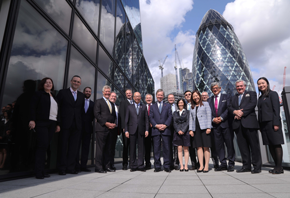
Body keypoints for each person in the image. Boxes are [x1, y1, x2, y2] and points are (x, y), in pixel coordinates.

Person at [29, 77, 60, 179]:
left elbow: (57, 112)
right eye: (46, 83)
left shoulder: (54, 96)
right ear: (42, 85)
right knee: (41, 146)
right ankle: (38, 172)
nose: (48, 84)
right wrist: (32, 120)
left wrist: (57, 124)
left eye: (50, 82)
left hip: (52, 123)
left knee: (46, 147)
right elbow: (32, 107)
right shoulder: (39, 94)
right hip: (42, 123)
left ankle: (43, 170)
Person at [228, 80, 262, 173]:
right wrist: (235, 112)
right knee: (243, 147)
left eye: (241, 86)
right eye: (238, 86)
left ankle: (257, 166)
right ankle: (246, 166)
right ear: (236, 87)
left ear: (245, 86)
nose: (239, 88)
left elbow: (252, 104)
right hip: (238, 125)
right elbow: (229, 107)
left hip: (249, 123)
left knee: (254, 146)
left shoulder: (252, 93)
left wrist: (241, 113)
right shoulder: (233, 97)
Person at [57, 75, 85, 175]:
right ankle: (62, 168)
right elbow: (58, 109)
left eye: (78, 82)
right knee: (63, 147)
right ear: (71, 81)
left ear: (80, 84)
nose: (76, 83)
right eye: (74, 81)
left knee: (74, 148)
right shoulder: (62, 92)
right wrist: (58, 123)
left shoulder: (81, 96)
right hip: (65, 124)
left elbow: (81, 111)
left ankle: (70, 168)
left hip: (77, 125)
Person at [257, 77, 284, 174]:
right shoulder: (260, 98)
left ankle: (279, 167)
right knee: (270, 145)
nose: (261, 85)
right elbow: (260, 113)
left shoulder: (273, 94)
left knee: (276, 144)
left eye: (263, 83)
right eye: (259, 84)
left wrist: (276, 123)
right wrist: (259, 125)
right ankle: (277, 166)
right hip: (264, 125)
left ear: (267, 83)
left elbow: (276, 110)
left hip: (272, 123)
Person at [208, 83, 235, 172]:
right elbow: (208, 112)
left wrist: (221, 118)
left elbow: (229, 109)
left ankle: (231, 164)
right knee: (219, 146)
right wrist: (213, 119)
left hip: (226, 125)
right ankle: (223, 163)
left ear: (220, 89)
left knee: (229, 145)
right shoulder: (209, 100)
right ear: (211, 90)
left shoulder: (226, 97)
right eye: (213, 88)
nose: (215, 89)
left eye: (216, 88)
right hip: (215, 126)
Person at [125, 92, 149, 172]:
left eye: (139, 96)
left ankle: (141, 165)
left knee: (141, 148)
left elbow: (146, 120)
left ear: (140, 97)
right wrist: (126, 130)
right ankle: (133, 166)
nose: (137, 98)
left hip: (141, 130)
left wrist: (147, 129)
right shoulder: (129, 107)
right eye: (136, 96)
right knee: (132, 148)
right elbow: (126, 120)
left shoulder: (144, 107)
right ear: (134, 97)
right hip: (132, 130)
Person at [149, 89, 172, 172]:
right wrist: (156, 125)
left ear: (163, 96)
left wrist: (165, 125)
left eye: (161, 95)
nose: (160, 96)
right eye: (158, 95)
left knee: (166, 149)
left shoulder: (168, 105)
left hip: (166, 130)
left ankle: (166, 166)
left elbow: (170, 116)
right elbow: (151, 117)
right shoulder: (152, 106)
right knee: (156, 149)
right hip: (156, 130)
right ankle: (157, 166)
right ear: (156, 95)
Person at [94, 85, 116, 173]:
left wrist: (113, 124)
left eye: (109, 91)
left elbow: (113, 116)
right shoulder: (98, 101)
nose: (107, 93)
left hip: (110, 129)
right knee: (100, 148)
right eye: (106, 91)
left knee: (108, 148)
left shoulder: (111, 103)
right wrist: (106, 123)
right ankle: (98, 167)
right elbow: (97, 114)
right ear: (103, 92)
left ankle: (107, 166)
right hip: (102, 128)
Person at [189, 91, 212, 173]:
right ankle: (201, 166)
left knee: (206, 147)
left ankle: (206, 166)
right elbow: (191, 119)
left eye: (197, 95)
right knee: (198, 147)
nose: (196, 97)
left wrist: (209, 127)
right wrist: (191, 129)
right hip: (196, 129)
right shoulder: (192, 107)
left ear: (200, 96)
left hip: (205, 128)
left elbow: (209, 115)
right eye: (194, 96)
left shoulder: (205, 104)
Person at [76, 87, 94, 172]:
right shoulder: (79, 101)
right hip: (78, 127)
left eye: (89, 91)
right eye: (86, 91)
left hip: (88, 129)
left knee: (86, 148)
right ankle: (76, 165)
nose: (88, 92)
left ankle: (84, 165)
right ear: (83, 92)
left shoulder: (93, 104)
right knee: (76, 147)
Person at [202, 91, 219, 170]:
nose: (204, 97)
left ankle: (216, 162)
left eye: (205, 95)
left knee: (214, 146)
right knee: (204, 147)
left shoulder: (210, 102)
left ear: (208, 96)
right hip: (204, 129)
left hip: (212, 127)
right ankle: (205, 163)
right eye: (203, 96)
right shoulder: (200, 104)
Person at [172, 98, 190, 171]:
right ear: (177, 104)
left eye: (182, 102)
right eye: (179, 103)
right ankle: (181, 165)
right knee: (179, 149)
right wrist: (178, 130)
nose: (180, 104)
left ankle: (186, 165)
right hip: (177, 133)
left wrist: (183, 130)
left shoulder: (187, 112)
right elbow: (174, 122)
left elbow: (188, 122)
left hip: (185, 132)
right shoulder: (174, 113)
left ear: (184, 104)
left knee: (186, 149)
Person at [184, 90, 198, 170]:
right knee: (191, 147)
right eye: (186, 95)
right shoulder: (183, 106)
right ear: (184, 97)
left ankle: (200, 163)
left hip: (196, 128)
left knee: (199, 146)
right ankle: (193, 163)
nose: (188, 96)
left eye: (189, 94)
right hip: (187, 130)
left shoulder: (196, 104)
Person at [119, 89, 133, 170]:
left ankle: (132, 163)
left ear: (132, 94)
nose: (128, 94)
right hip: (126, 129)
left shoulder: (135, 103)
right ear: (125, 94)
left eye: (130, 93)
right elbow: (122, 115)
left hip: (134, 128)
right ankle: (124, 164)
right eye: (127, 93)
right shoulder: (123, 103)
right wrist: (124, 127)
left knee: (133, 147)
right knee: (126, 146)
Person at [167, 93, 179, 170]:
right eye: (169, 98)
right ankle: (170, 163)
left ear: (174, 99)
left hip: (176, 129)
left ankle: (176, 163)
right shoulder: (165, 106)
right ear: (168, 99)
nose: (171, 99)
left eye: (172, 98)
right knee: (168, 146)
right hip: (168, 128)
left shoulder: (178, 106)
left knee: (176, 146)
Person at [108, 91, 120, 171]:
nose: (113, 97)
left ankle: (111, 164)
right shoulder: (108, 105)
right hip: (108, 128)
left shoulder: (117, 106)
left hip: (115, 129)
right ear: (109, 96)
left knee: (112, 148)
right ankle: (107, 164)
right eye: (112, 96)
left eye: (115, 96)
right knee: (108, 148)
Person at [144, 93, 153, 169]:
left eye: (150, 98)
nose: (148, 99)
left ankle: (157, 163)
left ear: (152, 99)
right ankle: (147, 163)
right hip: (146, 130)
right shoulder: (143, 107)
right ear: (145, 99)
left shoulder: (155, 106)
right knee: (147, 147)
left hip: (154, 129)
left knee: (156, 147)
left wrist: (153, 123)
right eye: (147, 98)